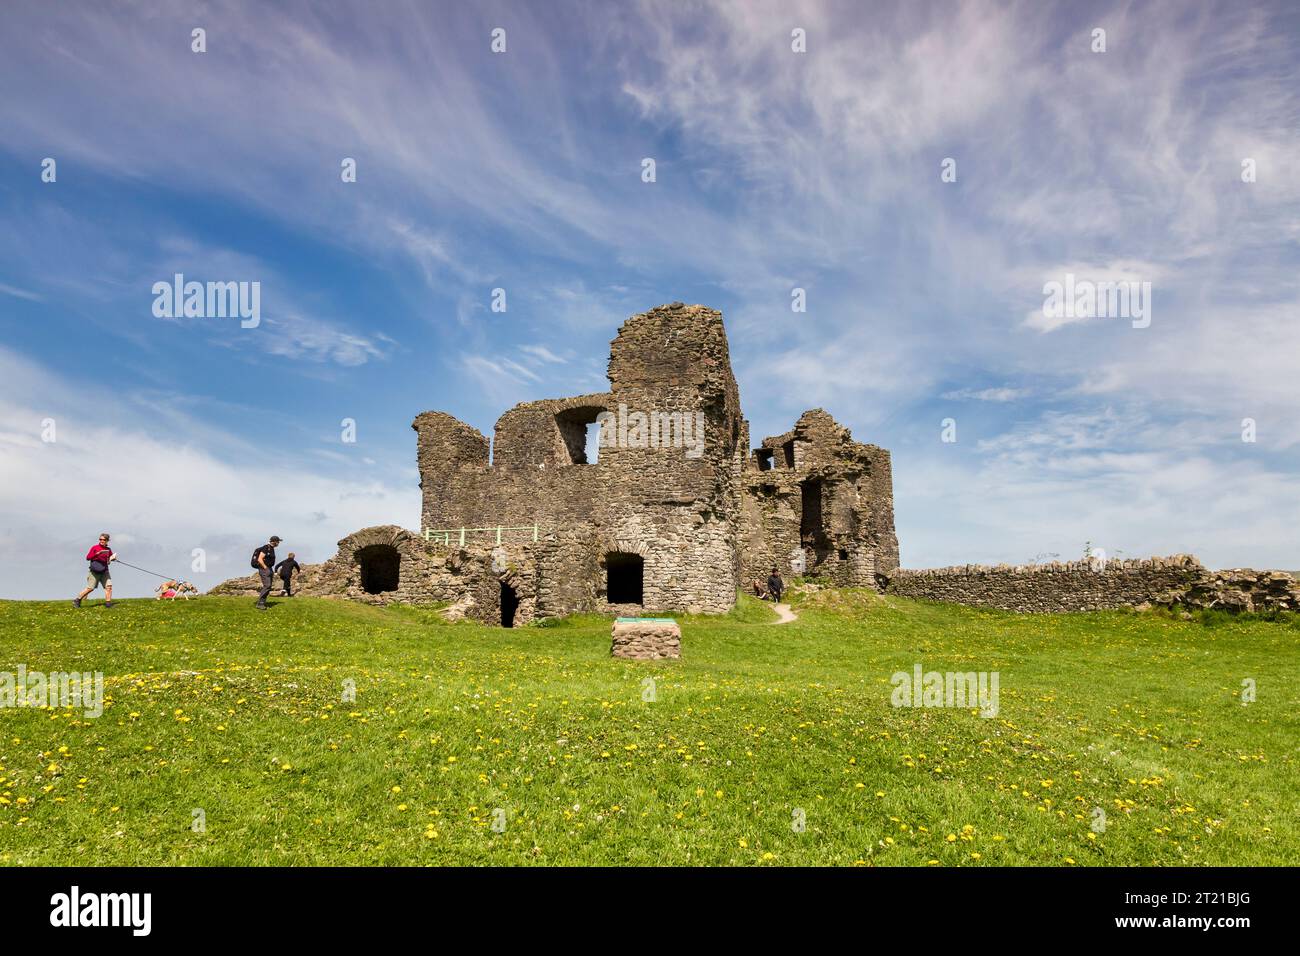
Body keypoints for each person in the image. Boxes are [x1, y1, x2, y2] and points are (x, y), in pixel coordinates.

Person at [73, 533, 118, 608]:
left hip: (104, 571)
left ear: (107, 541)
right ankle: (77, 600)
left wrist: (113, 558)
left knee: (109, 587)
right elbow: (88, 558)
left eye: (103, 540)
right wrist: (97, 554)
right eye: (100, 539)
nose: (101, 541)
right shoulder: (95, 547)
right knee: (90, 588)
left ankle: (108, 604)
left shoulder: (108, 549)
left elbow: (109, 559)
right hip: (94, 571)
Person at [251, 536, 282, 610]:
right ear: (274, 542)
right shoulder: (266, 547)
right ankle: (260, 603)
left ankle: (262, 602)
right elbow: (260, 559)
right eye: (278, 542)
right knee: (267, 585)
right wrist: (266, 568)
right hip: (264, 568)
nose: (278, 543)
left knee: (268, 586)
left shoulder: (271, 549)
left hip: (268, 568)